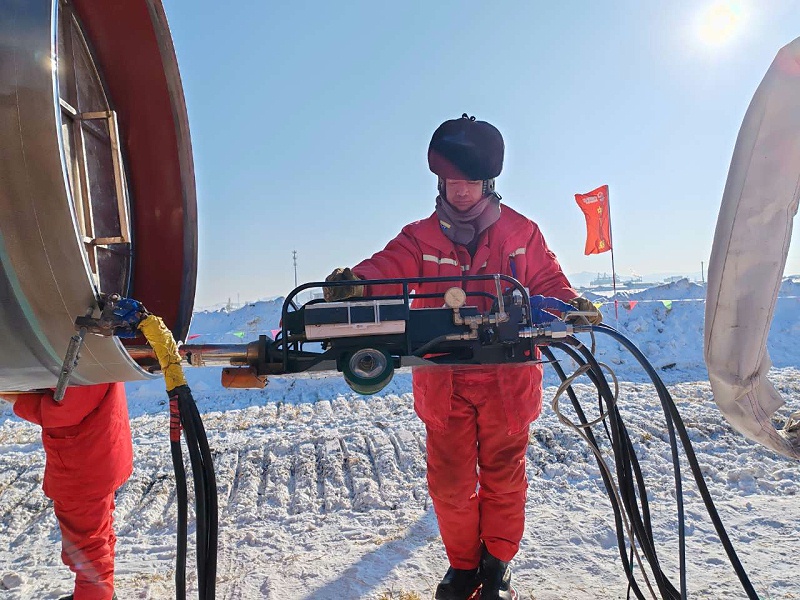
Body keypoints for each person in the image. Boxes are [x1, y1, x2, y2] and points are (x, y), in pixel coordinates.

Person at [323, 114, 602, 600]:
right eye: (453, 182)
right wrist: (358, 283)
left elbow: (550, 285)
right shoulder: (420, 237)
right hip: (444, 381)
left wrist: (571, 305)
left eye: (471, 182)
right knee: (451, 486)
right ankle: (463, 567)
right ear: (440, 181)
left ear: (488, 181)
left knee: (504, 478)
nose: (462, 192)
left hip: (507, 381)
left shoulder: (522, 234)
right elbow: (388, 268)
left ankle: (497, 563)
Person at [1, 383, 132, 600]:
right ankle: (101, 593)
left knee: (86, 546)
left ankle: (94, 595)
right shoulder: (93, 351)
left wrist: (12, 395)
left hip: (84, 464)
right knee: (98, 536)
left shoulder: (84, 356)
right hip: (97, 452)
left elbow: (67, 408)